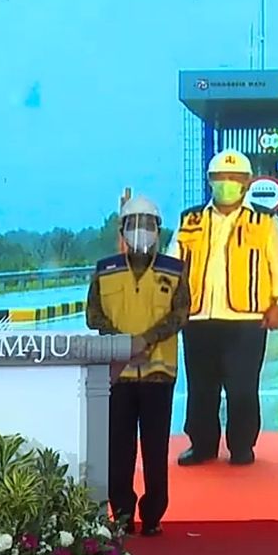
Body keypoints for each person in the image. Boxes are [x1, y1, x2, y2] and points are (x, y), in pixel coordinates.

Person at [170, 149, 278, 467]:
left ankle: (242, 446)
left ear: (247, 182)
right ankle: (202, 445)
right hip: (198, 316)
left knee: (241, 387)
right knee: (201, 387)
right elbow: (172, 264)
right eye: (220, 178)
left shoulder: (264, 221)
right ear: (210, 181)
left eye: (235, 178)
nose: (227, 183)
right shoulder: (191, 219)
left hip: (246, 318)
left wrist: (277, 302)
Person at [86, 194, 190, 537]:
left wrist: (145, 340)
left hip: (159, 373)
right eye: (134, 224)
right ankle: (124, 513)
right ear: (122, 230)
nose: (141, 231)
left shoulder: (174, 271)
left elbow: (181, 313)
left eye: (148, 224)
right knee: (119, 449)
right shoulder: (105, 271)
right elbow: (93, 315)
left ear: (159, 230)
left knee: (156, 449)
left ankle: (154, 514)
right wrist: (123, 343)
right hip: (117, 376)